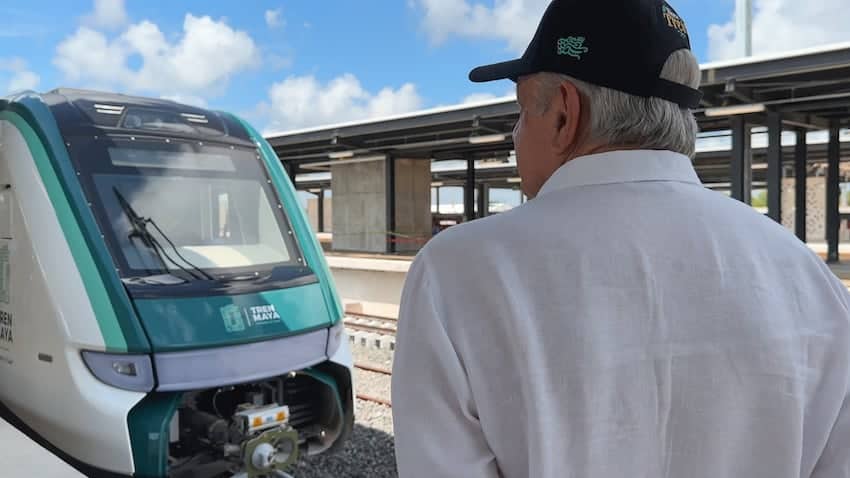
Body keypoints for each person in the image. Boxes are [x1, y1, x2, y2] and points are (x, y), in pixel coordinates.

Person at [391, 0, 850, 477]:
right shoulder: (805, 275)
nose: (514, 133)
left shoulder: (456, 272)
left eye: (522, 110)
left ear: (566, 113)